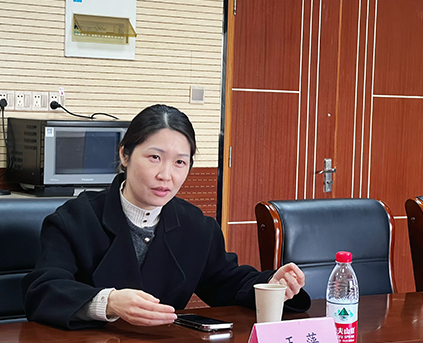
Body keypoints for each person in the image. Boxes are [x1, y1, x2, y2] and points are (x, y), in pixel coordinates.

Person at [22, 104, 310, 330]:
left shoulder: (197, 227)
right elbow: (44, 291)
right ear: (125, 155)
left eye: (180, 162)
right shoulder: (75, 219)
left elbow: (227, 283)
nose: (166, 175)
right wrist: (109, 302)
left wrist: (272, 284)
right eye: (154, 157)